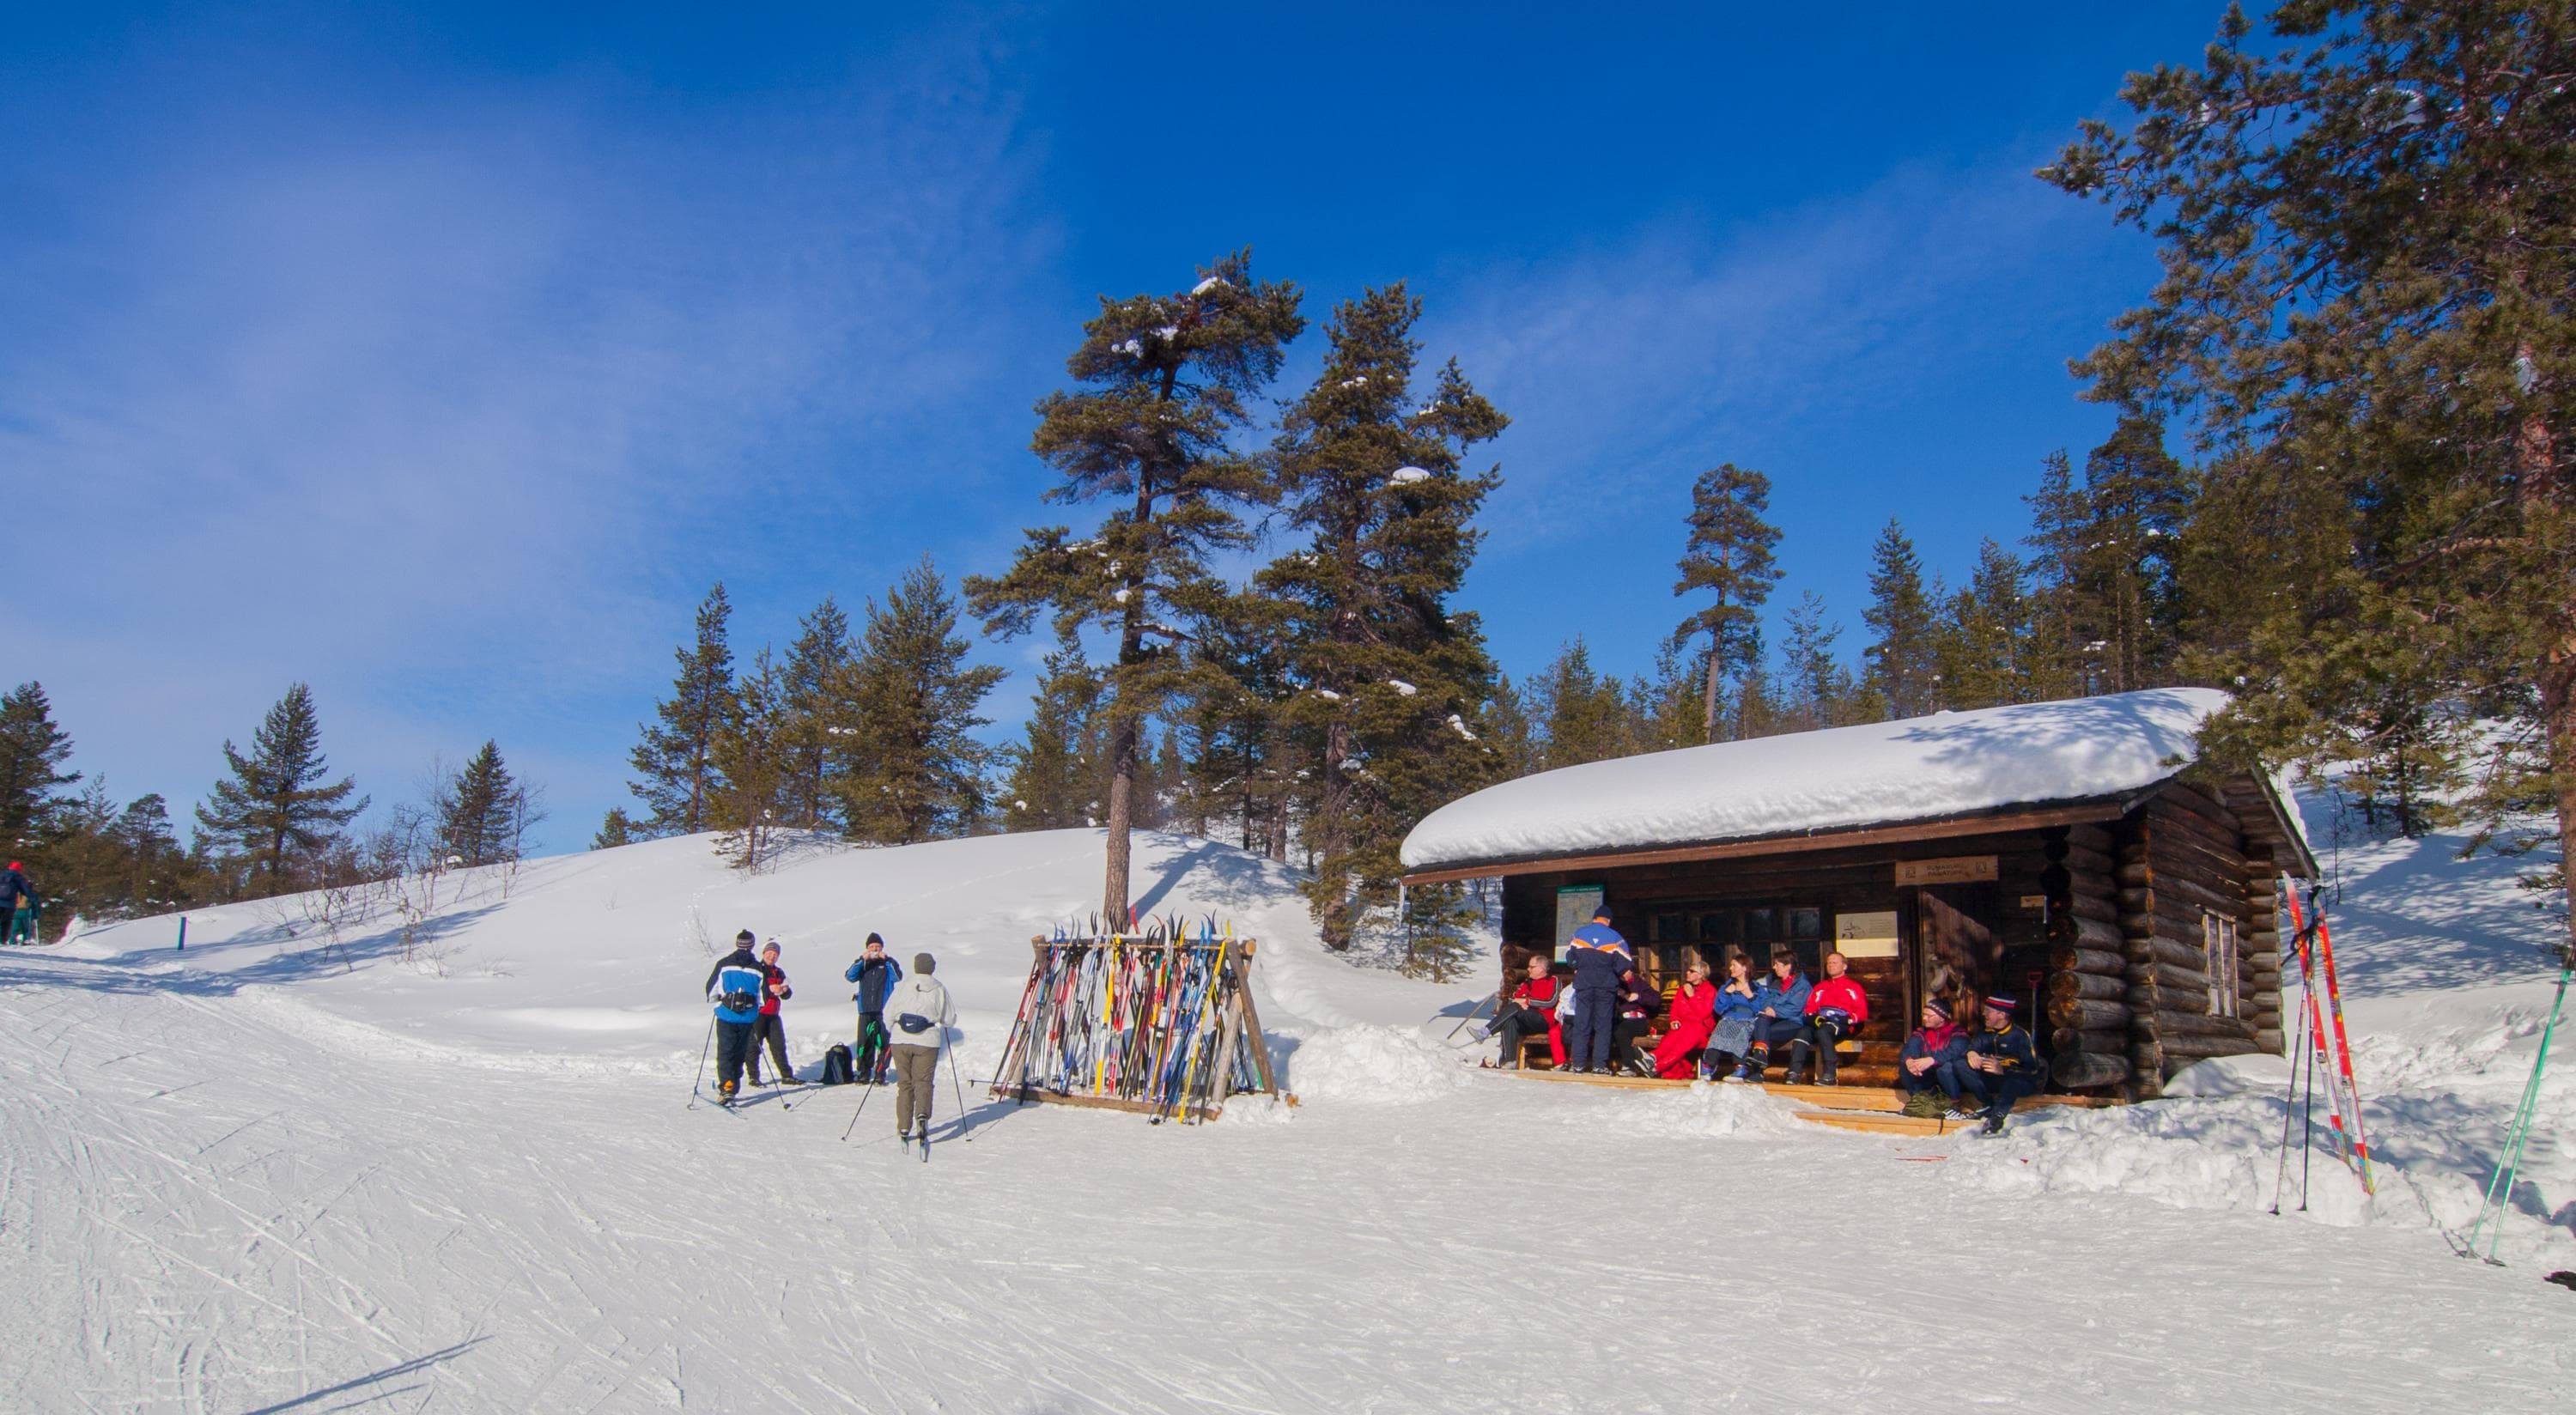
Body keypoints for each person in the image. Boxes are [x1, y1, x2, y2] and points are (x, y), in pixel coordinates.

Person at [884, 950, 957, 1145]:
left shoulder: (902, 987)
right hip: (927, 1041)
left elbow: (888, 1013)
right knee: (923, 1082)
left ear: (916, 966)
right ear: (932, 968)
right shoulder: (939, 988)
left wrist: (893, 1029)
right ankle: (922, 1115)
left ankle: (904, 1126)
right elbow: (949, 1019)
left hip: (901, 1040)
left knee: (905, 1083)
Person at [1562, 906, 1632, 1074]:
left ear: (1594, 918)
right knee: (1603, 1026)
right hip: (1605, 987)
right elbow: (1625, 963)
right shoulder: (1615, 937)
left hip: (1584, 984)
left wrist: (1577, 967)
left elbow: (1570, 957)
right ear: (1608, 920)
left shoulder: (1579, 934)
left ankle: (1578, 1063)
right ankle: (1599, 1065)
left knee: (1582, 1024)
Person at [1959, 993, 2041, 1133]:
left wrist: (2004, 1070)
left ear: (2002, 1014)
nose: (1984, 1014)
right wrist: (1971, 1053)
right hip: (1993, 1081)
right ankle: (1987, 1103)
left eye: (1988, 1011)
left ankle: (1997, 1116)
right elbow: (1972, 1047)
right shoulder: (1985, 1033)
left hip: (2019, 1082)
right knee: (1959, 1065)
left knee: (2013, 1082)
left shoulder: (2020, 1036)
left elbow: (2032, 1070)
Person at [702, 929, 767, 1105]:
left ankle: (727, 1086)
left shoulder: (724, 964)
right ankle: (733, 1086)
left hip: (726, 1014)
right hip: (747, 1017)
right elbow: (764, 995)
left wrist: (716, 1002)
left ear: (737, 944)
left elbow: (711, 989)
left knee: (725, 1051)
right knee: (740, 1051)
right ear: (752, 945)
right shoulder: (758, 968)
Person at [1728, 947, 1811, 1083]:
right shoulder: (1776, 983)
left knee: (1760, 1033)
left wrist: (1775, 1011)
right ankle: (1757, 1060)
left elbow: (1795, 1008)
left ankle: (1757, 1070)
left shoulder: (1802, 985)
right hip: (1772, 1021)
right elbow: (1767, 1000)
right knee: (1760, 1023)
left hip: (1793, 1022)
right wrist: (1767, 1008)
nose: (1774, 967)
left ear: (1788, 966)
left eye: (1777, 964)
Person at [1789, 950, 1871, 1086]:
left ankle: (1829, 1074)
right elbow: (1810, 1008)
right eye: (1829, 963)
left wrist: (1847, 1020)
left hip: (1841, 1023)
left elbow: (1862, 1012)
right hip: (1821, 1021)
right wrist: (1815, 1018)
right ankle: (1794, 1072)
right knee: (1803, 1032)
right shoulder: (1821, 987)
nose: (1831, 966)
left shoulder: (1853, 987)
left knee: (1824, 1031)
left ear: (1844, 966)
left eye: (1835, 963)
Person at [1485, 951, 1565, 1069]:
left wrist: (1527, 1002)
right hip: (1526, 1019)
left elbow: (1550, 1002)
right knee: (1510, 1022)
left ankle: (1487, 1031)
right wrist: (1522, 1002)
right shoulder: (1527, 983)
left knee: (1515, 1008)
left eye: (1531, 967)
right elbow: (1515, 998)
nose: (1528, 969)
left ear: (1541, 968)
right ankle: (1510, 1061)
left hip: (1544, 1020)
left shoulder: (1554, 980)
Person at [844, 932, 903, 1084]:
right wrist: (862, 960)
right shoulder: (863, 964)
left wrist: (887, 960)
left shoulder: (888, 963)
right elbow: (850, 976)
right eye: (872, 947)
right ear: (867, 948)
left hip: (883, 1011)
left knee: (884, 1043)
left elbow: (897, 977)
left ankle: (880, 1073)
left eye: (877, 947)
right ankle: (864, 1072)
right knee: (865, 1043)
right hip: (865, 1010)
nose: (875, 950)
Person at [1652, 953, 1719, 1079]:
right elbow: (1675, 1009)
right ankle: (1653, 1058)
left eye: (1691, 971)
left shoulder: (1709, 991)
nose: (1687, 972)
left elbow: (1703, 1014)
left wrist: (1692, 996)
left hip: (1701, 1031)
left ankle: (1657, 1066)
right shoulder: (1683, 989)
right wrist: (1674, 1020)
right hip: (1683, 1027)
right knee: (1671, 1038)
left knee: (1682, 1043)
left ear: (1701, 975)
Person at [1896, 999, 1970, 1111]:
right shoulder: (1921, 1032)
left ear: (1942, 1017)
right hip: (1929, 1078)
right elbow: (1910, 1048)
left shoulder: (1958, 1033)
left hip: (1952, 1080)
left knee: (1946, 1067)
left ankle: (1954, 1104)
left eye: (1929, 1016)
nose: (1924, 1018)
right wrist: (1909, 1060)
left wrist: (1932, 1060)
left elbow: (1955, 1052)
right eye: (1923, 1015)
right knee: (1906, 1065)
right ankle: (1919, 1101)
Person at [1704, 949, 1763, 1079]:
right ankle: (1708, 1065)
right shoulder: (1727, 987)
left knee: (1741, 1032)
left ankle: (1740, 1067)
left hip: (1748, 1020)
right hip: (1729, 1018)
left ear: (1745, 968)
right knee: (1720, 1030)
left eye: (1734, 966)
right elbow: (1719, 1009)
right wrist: (1726, 994)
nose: (1730, 968)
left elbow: (1760, 1009)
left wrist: (1750, 996)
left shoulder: (1756, 988)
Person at [745, 940, 795, 1086]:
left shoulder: (779, 972)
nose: (772, 957)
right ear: (764, 953)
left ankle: (787, 1076)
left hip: (773, 1014)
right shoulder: (757, 969)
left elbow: (786, 995)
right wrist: (769, 988)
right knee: (754, 1046)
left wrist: (784, 990)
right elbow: (754, 988)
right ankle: (753, 1077)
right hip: (758, 1013)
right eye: (770, 953)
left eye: (775, 954)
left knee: (779, 1046)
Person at [1609, 966, 1662, 1076]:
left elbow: (1655, 999)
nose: (1624, 974)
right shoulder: (1615, 983)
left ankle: (1629, 1066)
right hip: (1620, 1019)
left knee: (1621, 1032)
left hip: (1637, 1020)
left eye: (1626, 971)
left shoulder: (1639, 983)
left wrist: (1638, 997)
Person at [1, 861, 35, 946]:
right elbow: (25, 891)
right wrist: (32, 898)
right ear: (19, 869)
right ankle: (1, 940)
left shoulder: (2, 876)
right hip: (10, 904)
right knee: (6, 922)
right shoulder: (18, 878)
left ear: (9, 867)